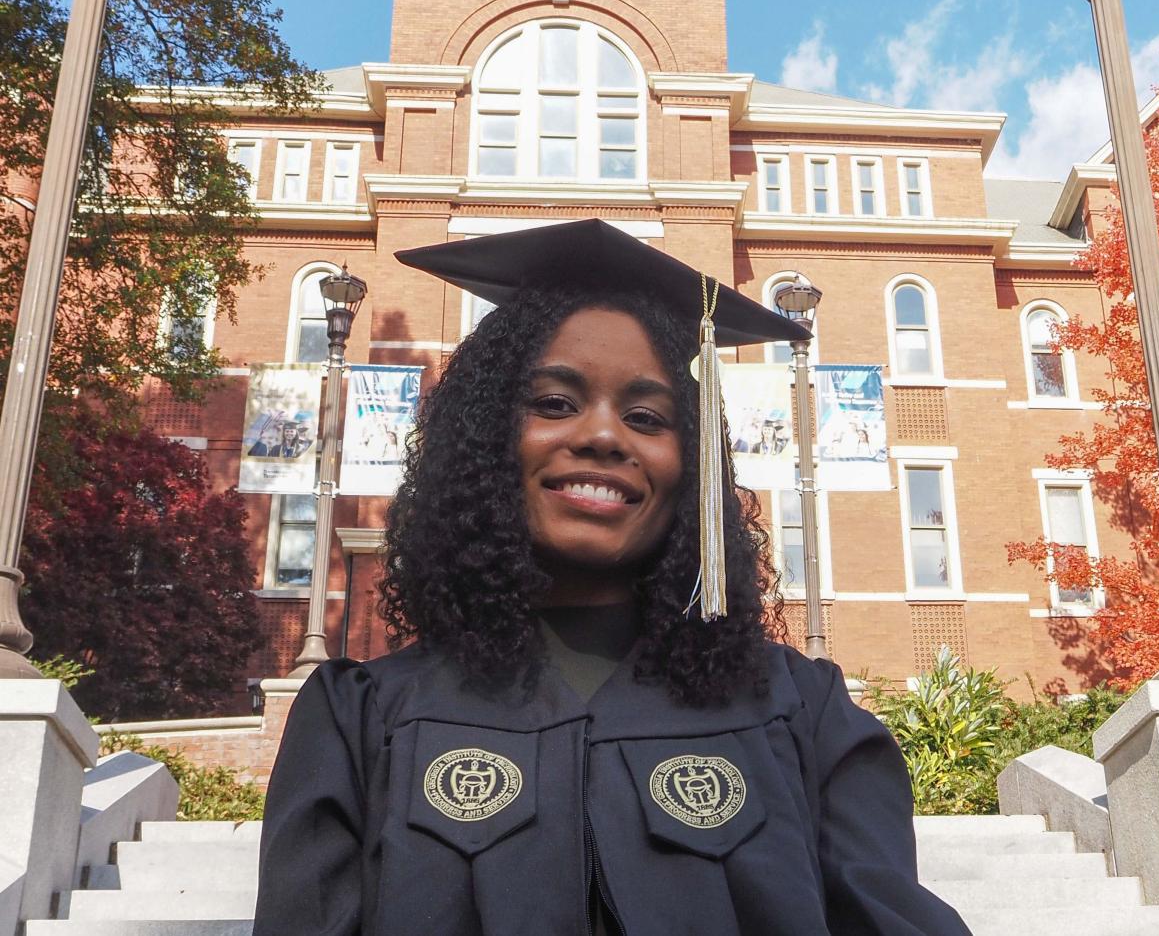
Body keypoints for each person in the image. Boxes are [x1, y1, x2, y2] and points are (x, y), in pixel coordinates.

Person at [253, 220, 969, 936]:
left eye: (647, 416)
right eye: (554, 404)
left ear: (691, 465)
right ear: (484, 439)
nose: (603, 435)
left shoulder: (806, 717)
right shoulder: (361, 723)